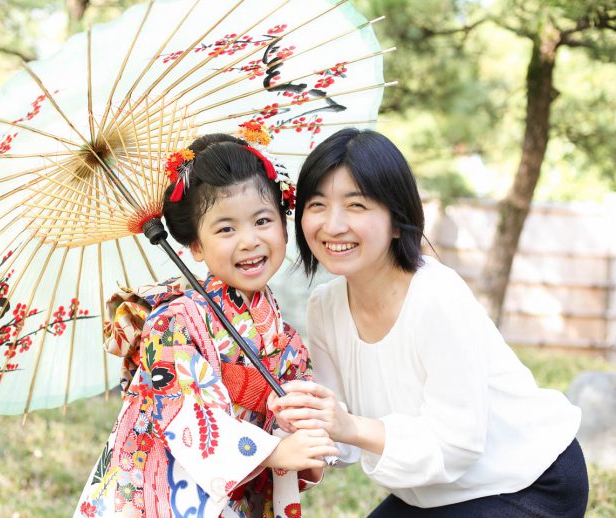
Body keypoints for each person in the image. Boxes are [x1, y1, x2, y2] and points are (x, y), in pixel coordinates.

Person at [268, 128, 589, 517]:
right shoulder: (325, 306)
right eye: (317, 205)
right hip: (430, 492)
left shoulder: (436, 296)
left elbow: (458, 445)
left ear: (397, 220)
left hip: (526, 481)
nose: (333, 225)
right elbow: (344, 437)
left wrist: (348, 425)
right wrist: (306, 421)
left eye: (356, 205)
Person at [75, 130, 338, 518]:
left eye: (262, 220)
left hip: (233, 492)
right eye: (226, 228)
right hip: (160, 489)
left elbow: (295, 420)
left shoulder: (286, 339)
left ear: (284, 227)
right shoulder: (174, 322)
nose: (249, 241)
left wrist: (299, 433)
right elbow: (185, 417)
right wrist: (277, 451)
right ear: (196, 245)